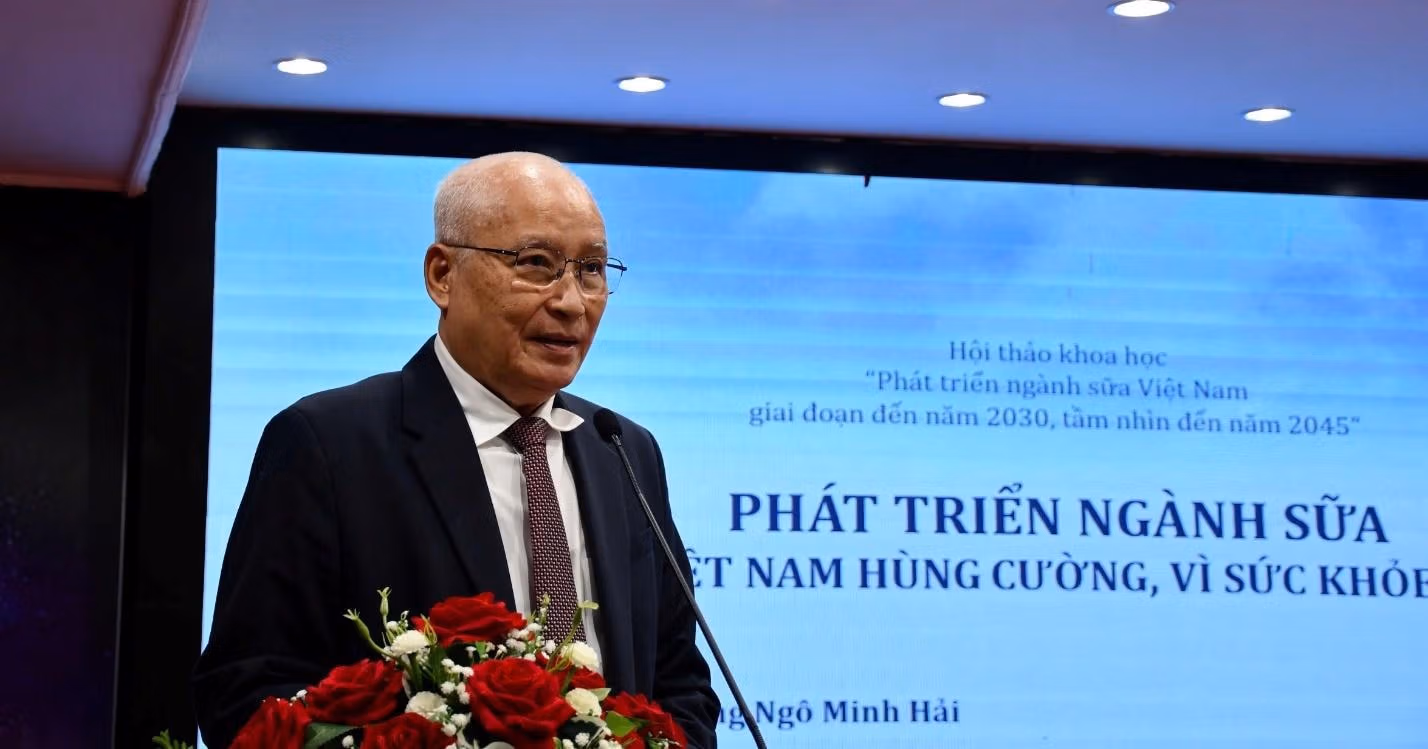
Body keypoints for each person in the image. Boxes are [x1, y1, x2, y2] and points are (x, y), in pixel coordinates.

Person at [193, 153, 719, 747]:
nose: (572, 301)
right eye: (536, 263)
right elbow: (246, 689)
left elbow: (679, 682)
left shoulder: (623, 450)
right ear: (443, 275)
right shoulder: (328, 445)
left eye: (592, 270)